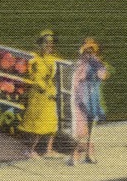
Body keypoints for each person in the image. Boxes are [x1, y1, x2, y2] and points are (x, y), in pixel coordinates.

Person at [69, 37, 110, 166]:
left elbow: (103, 75)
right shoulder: (81, 65)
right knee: (81, 129)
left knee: (91, 126)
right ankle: (75, 155)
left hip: (93, 98)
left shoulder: (97, 64)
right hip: (81, 98)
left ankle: (89, 154)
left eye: (91, 51)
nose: (89, 54)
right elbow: (76, 83)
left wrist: (98, 67)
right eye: (87, 51)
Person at [20, 30, 60, 158]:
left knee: (52, 122)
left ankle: (48, 150)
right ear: (40, 44)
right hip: (39, 95)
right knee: (37, 124)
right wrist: (44, 88)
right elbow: (34, 77)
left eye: (51, 43)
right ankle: (30, 150)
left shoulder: (53, 59)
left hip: (50, 95)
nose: (49, 46)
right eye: (46, 43)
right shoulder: (35, 59)